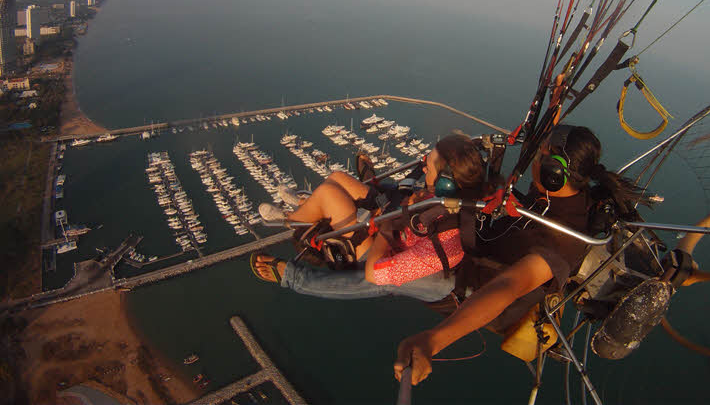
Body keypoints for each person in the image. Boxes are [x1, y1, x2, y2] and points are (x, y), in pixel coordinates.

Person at [392, 124, 648, 386]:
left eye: (537, 157)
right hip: (476, 245)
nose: (531, 158)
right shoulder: (560, 194)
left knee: (370, 269)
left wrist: (433, 341)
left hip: (470, 286)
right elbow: (544, 139)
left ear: (553, 173)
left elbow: (507, 287)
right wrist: (558, 93)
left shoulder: (562, 242)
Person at [252, 133, 491, 301]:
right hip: (396, 222)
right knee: (337, 177)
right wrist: (405, 207)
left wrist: (387, 226)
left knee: (328, 195)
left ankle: (289, 218)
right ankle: (302, 208)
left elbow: (372, 275)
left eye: (428, 167)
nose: (424, 169)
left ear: (447, 184)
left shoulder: (441, 251)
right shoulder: (446, 200)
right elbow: (413, 216)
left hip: (378, 249)